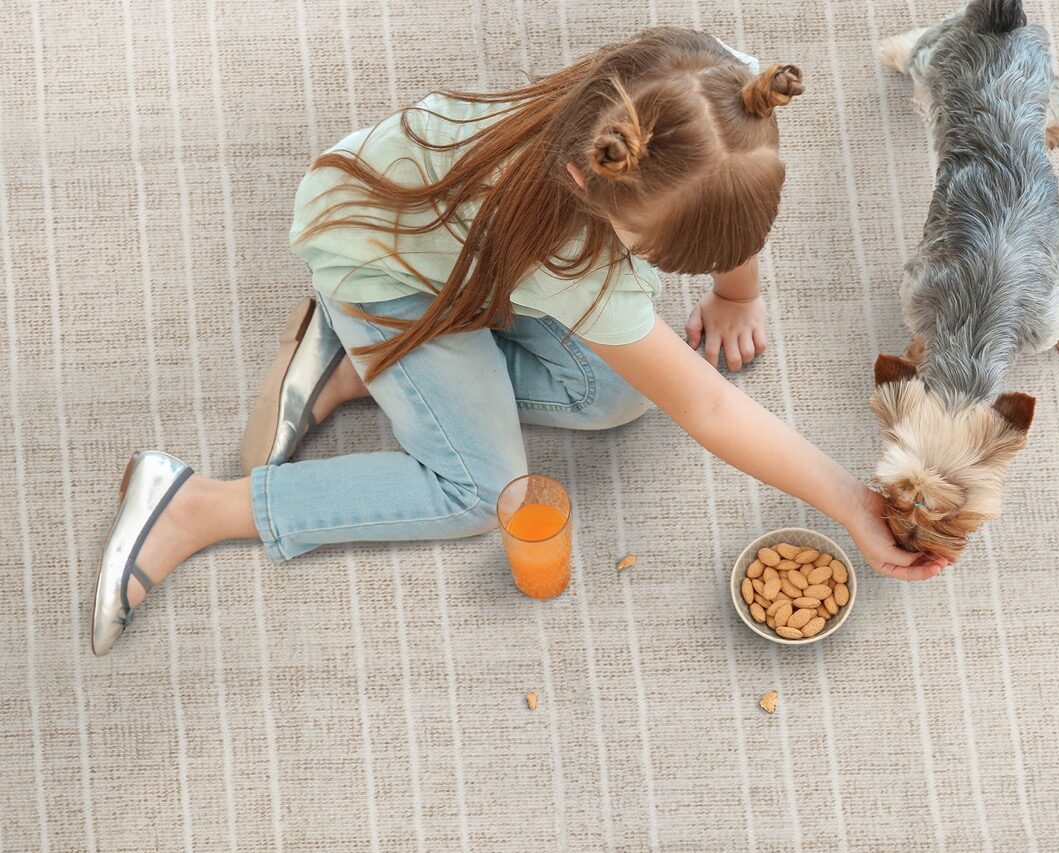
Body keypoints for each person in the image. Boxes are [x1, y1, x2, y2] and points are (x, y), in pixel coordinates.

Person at [91, 27, 947, 656]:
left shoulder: (715, 87)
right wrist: (849, 500)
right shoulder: (573, 259)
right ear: (593, 185)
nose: (663, 273)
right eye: (655, 256)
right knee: (481, 492)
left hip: (451, 253)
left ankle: (370, 368)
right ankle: (197, 501)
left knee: (623, 389)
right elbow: (710, 404)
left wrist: (737, 287)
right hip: (378, 268)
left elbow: (728, 202)